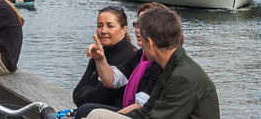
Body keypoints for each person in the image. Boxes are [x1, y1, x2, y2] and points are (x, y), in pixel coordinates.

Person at [88, 7, 219, 119]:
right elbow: (146, 110)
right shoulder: (171, 65)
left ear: (150, 42)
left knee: (96, 115)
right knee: (97, 115)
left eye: (142, 40)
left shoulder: (181, 77)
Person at [76, 3, 167, 118]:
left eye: (144, 25)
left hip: (143, 115)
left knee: (89, 112)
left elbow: (142, 106)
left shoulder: (159, 61)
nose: (138, 30)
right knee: (86, 111)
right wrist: (100, 58)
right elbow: (112, 80)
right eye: (137, 25)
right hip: (134, 111)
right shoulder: (140, 55)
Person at [73, 6, 137, 110]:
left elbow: (96, 98)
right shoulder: (100, 53)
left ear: (124, 29)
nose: (103, 31)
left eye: (110, 26)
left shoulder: (127, 57)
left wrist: (87, 89)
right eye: (100, 26)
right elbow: (76, 95)